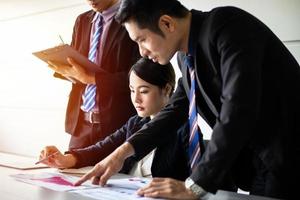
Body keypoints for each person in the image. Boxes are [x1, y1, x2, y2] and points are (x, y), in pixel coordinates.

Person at [74, 0, 300, 199]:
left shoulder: (228, 26)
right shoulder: (185, 57)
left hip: (288, 156)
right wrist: (120, 154)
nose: (141, 52)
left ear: (167, 24)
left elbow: (239, 108)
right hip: (261, 164)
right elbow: (173, 111)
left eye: (142, 39)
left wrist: (195, 186)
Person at [39, 58, 189, 181]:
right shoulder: (135, 123)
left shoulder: (185, 130)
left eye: (144, 91)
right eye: (131, 90)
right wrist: (66, 159)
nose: (136, 99)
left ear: (167, 89)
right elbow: (101, 148)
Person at [48, 0, 138, 149]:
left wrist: (91, 79)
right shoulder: (82, 20)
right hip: (81, 124)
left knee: (112, 173)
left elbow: (138, 77)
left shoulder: (133, 17)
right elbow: (78, 70)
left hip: (116, 126)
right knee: (68, 170)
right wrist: (63, 63)